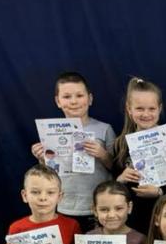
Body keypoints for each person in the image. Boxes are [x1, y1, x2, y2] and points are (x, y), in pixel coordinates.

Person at [30, 72, 115, 224]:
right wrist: (42, 159)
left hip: (99, 205)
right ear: (58, 101)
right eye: (67, 97)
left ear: (90, 99)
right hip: (64, 204)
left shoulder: (104, 129)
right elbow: (49, 173)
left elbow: (116, 167)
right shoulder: (50, 132)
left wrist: (102, 154)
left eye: (79, 95)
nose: (74, 101)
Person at [111, 77, 166, 232]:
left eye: (151, 109)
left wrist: (160, 192)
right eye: (139, 109)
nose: (146, 114)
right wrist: (121, 179)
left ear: (160, 108)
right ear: (129, 109)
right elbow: (113, 186)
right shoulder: (121, 144)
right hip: (133, 220)